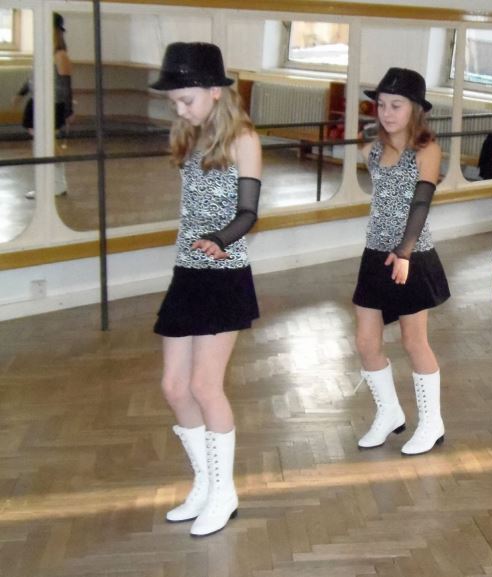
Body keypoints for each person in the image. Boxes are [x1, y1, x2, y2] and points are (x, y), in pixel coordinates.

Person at [150, 42, 262, 536]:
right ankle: (204, 482)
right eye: (174, 102)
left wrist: (220, 239)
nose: (180, 109)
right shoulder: (191, 138)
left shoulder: (244, 139)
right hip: (187, 272)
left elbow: (249, 212)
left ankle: (224, 492)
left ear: (215, 91)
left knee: (204, 385)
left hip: (224, 274)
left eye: (187, 99)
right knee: (174, 387)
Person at [353, 67, 450, 456]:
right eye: (382, 105)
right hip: (374, 254)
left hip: (412, 255)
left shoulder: (427, 150)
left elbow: (421, 202)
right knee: (365, 342)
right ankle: (389, 412)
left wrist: (405, 251)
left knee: (413, 341)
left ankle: (431, 422)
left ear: (416, 109)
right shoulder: (372, 151)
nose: (387, 113)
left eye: (397, 105)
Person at [13, 12, 73, 199]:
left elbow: (66, 84)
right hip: (37, 103)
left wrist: (69, 110)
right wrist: (21, 94)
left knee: (48, 146)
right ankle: (53, 185)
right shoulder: (43, 54)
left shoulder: (60, 55)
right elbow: (33, 78)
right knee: (41, 145)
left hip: (52, 105)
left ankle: (54, 185)